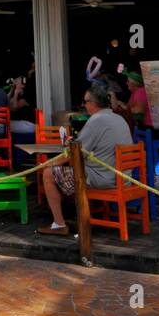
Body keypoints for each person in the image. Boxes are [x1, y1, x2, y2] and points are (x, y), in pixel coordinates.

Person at [37, 81, 131, 236]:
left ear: (94, 103)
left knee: (48, 173)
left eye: (86, 101)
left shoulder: (96, 121)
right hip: (123, 176)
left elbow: (75, 152)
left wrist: (49, 164)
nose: (84, 105)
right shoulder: (118, 118)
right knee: (65, 171)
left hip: (104, 178)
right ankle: (78, 213)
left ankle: (59, 224)